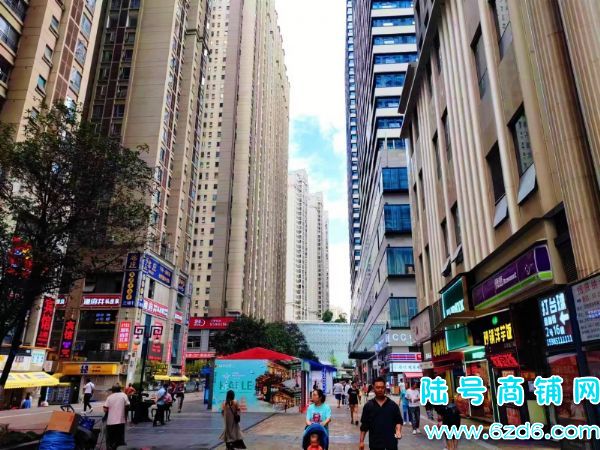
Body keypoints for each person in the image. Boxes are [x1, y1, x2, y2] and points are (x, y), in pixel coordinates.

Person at [359, 377, 403, 450]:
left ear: (385, 388)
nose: (380, 389)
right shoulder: (368, 406)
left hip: (391, 444)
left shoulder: (393, 405)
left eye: (382, 387)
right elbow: (364, 426)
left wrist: (398, 431)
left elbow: (398, 421)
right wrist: (361, 441)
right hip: (375, 444)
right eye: (377, 387)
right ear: (373, 388)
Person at [103, 384, 130, 450]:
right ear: (120, 389)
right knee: (119, 438)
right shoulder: (124, 395)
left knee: (110, 438)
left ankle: (111, 447)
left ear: (112, 390)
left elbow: (105, 409)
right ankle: (117, 445)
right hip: (121, 421)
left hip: (110, 422)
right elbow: (127, 405)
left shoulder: (109, 397)